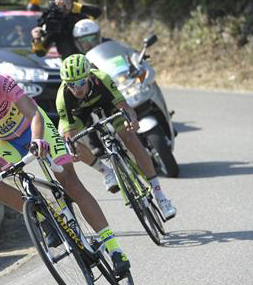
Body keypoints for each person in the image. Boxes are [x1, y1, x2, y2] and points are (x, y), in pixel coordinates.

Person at [0, 53, 132, 275]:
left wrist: (37, 140)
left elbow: (34, 114)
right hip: (7, 142)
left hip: (37, 130)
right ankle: (43, 217)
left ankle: (113, 248)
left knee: (70, 183)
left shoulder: (2, 83)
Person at [56, 54, 177, 219]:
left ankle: (160, 196)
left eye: (80, 83)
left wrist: (132, 120)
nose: (76, 89)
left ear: (89, 76)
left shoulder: (102, 79)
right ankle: (106, 171)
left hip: (106, 104)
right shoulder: (63, 97)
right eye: (71, 84)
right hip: (78, 113)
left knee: (130, 139)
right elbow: (68, 132)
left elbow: (125, 107)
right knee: (70, 143)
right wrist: (72, 149)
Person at [31, 0, 101, 59]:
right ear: (55, 0)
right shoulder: (53, 21)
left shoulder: (78, 14)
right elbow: (41, 53)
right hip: (69, 63)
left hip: (88, 59)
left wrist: (74, 6)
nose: (66, 2)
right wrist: (37, 40)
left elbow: (97, 12)